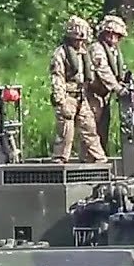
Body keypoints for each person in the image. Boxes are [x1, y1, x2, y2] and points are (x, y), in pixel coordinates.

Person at [50, 16, 106, 163]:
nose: (80, 43)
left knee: (90, 128)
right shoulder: (61, 53)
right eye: (77, 40)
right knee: (66, 130)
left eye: (82, 40)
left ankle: (97, 156)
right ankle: (60, 158)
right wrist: (60, 99)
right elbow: (58, 76)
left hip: (82, 96)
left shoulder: (83, 53)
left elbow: (91, 74)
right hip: (68, 95)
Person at [88, 15, 129, 154]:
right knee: (92, 132)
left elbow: (117, 71)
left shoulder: (115, 51)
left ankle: (100, 159)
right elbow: (103, 71)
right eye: (109, 33)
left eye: (116, 35)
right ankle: (91, 162)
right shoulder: (97, 49)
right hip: (93, 96)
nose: (113, 37)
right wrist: (117, 88)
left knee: (103, 130)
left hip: (104, 97)